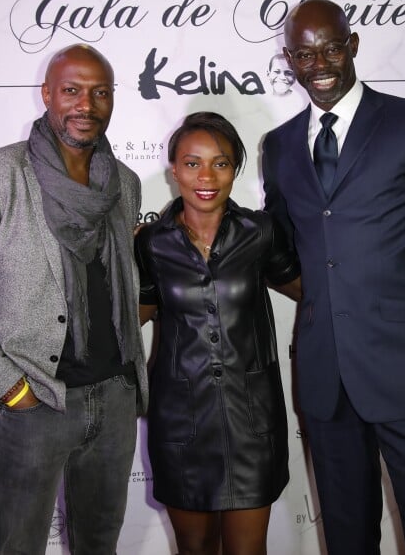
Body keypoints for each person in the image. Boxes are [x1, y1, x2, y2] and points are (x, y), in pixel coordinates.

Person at [262, 0, 405, 555]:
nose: (320, 64)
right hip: (324, 380)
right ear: (289, 59)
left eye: (332, 48)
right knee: (345, 539)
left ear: (354, 45)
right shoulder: (280, 146)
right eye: (305, 53)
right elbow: (277, 249)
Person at [0, 44, 148, 554]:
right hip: (33, 400)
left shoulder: (123, 183)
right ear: (46, 94)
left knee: (98, 544)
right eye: (72, 90)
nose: (86, 104)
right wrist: (10, 388)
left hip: (113, 397)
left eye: (100, 92)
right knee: (17, 544)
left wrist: (127, 381)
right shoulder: (4, 175)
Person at [135, 112, 301, 555]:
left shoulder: (262, 232)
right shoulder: (150, 242)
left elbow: (314, 290)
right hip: (181, 424)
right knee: (195, 549)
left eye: (220, 163)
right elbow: (133, 317)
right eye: (192, 163)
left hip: (253, 422)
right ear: (174, 169)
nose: (206, 176)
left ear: (235, 169)